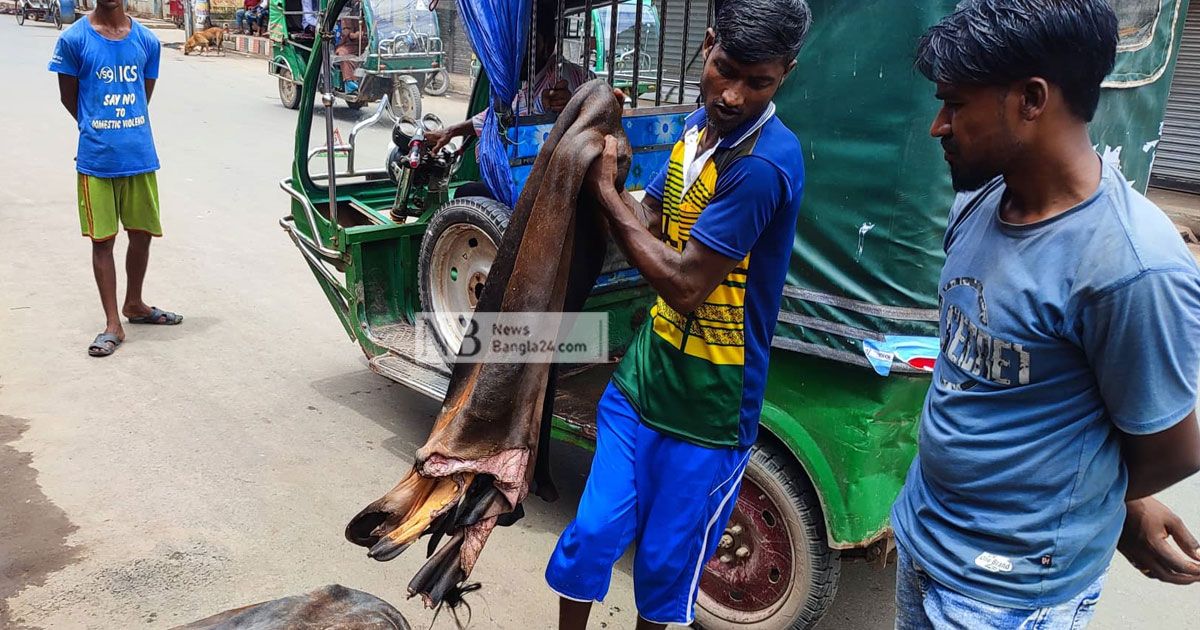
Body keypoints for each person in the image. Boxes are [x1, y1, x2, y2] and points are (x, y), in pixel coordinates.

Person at [891, 1, 1200, 627]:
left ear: (1032, 98)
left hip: (1005, 597)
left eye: (954, 104)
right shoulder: (980, 201)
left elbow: (1172, 447)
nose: (937, 126)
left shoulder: (1130, 269)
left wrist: (1114, 506)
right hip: (927, 542)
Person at [545, 1, 812, 628]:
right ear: (708, 46)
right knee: (591, 533)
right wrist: (617, 188)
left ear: (786, 75)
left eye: (759, 82)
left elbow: (687, 285)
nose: (733, 96)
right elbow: (654, 223)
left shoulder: (762, 166)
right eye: (726, 70)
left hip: (709, 409)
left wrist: (606, 195)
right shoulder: (695, 133)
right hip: (644, 379)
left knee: (666, 568)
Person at [49, 0, 183, 358]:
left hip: (139, 155)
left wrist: (124, 127)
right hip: (97, 160)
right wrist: (96, 127)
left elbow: (143, 94)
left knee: (141, 235)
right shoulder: (73, 40)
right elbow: (69, 97)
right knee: (102, 242)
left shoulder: (148, 42)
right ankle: (112, 324)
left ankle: (134, 303)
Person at [425, 3, 594, 198]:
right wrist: (451, 131)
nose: (515, 52)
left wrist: (571, 106)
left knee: (465, 194)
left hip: (546, 192)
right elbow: (500, 115)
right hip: (534, 184)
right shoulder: (526, 81)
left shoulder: (561, 80)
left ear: (549, 45)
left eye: (524, 43)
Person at [335, 5, 365, 93]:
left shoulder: (371, 9)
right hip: (349, 44)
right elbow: (347, 33)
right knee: (343, 54)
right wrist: (355, 34)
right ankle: (350, 83)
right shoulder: (348, 12)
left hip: (367, 44)